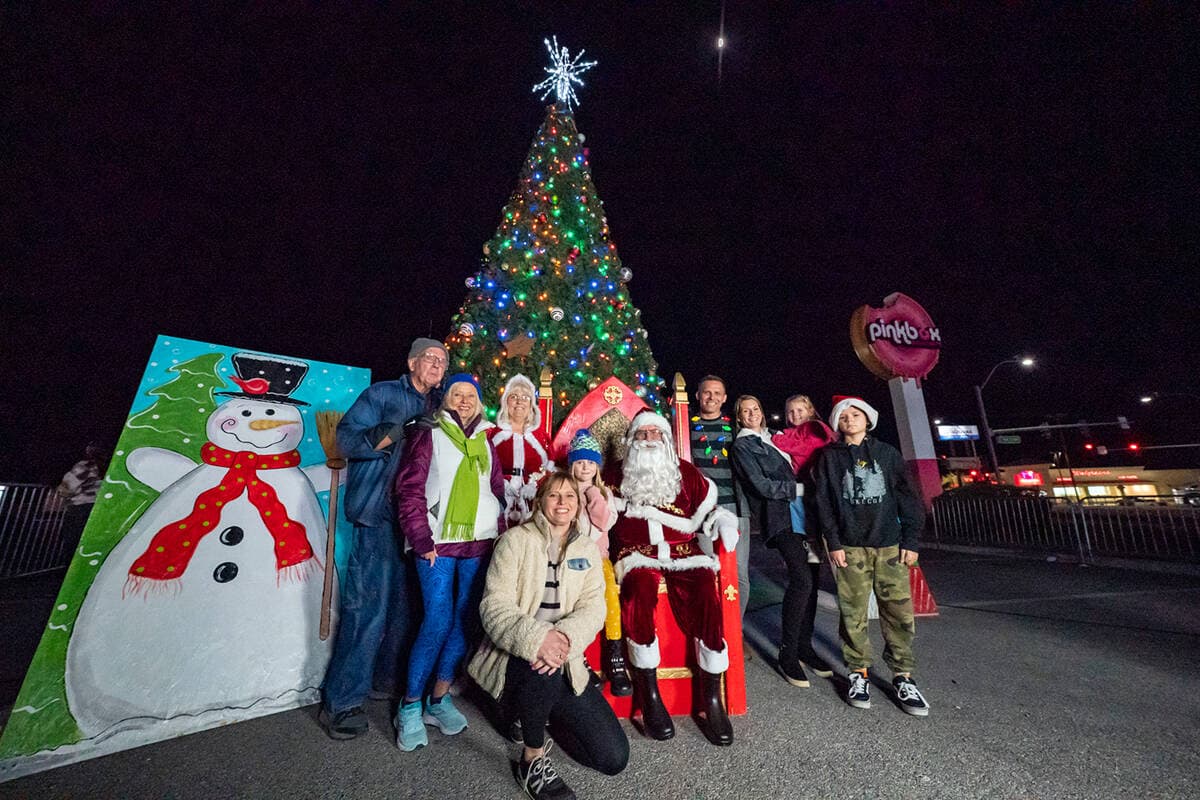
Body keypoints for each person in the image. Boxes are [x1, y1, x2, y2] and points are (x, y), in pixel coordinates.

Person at [468, 473, 629, 800]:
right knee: (544, 667)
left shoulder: (586, 548)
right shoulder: (515, 541)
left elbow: (594, 608)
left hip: (565, 657)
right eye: (553, 496)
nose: (562, 503)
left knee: (612, 758)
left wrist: (564, 639)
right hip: (514, 655)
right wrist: (538, 639)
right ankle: (532, 759)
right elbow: (493, 606)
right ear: (539, 500)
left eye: (569, 496)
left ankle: (537, 716)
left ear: (578, 503)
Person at [320, 337, 445, 739]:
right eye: (429, 358)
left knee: (405, 612)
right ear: (411, 362)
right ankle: (341, 703)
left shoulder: (440, 407)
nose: (436, 365)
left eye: (442, 361)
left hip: (420, 526)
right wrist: (396, 432)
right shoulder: (382, 394)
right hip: (379, 518)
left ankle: (382, 682)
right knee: (366, 611)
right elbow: (347, 439)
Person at [604, 411, 739, 745]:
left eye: (656, 433)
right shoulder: (613, 475)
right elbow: (599, 512)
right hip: (636, 552)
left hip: (684, 550)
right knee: (638, 592)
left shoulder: (687, 473)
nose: (649, 439)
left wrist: (723, 522)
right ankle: (649, 695)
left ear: (665, 438)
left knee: (707, 591)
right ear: (632, 440)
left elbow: (711, 509)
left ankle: (711, 701)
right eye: (642, 434)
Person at [393, 373, 505, 750]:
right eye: (457, 393)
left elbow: (497, 490)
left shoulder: (486, 440)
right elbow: (408, 488)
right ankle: (409, 706)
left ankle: (437, 700)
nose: (464, 400)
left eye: (470, 394)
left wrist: (499, 526)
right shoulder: (430, 433)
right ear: (445, 400)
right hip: (437, 543)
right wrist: (420, 537)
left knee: (463, 622)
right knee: (436, 619)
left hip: (478, 542)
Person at [811, 396, 931, 717]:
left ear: (868, 419)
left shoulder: (887, 454)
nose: (850, 420)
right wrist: (833, 542)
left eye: (856, 414)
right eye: (844, 416)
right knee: (853, 611)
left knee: (898, 611)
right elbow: (823, 502)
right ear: (837, 424)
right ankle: (858, 672)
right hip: (850, 547)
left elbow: (909, 498)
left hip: (890, 545)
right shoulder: (829, 459)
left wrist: (911, 539)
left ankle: (903, 676)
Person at [729, 395, 832, 688]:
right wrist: (801, 488)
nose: (752, 414)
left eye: (756, 409)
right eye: (745, 411)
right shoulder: (744, 445)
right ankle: (787, 653)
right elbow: (760, 485)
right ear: (739, 416)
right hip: (782, 519)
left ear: (763, 412)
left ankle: (805, 646)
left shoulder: (776, 438)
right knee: (801, 579)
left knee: (811, 579)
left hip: (807, 519)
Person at [566, 429, 631, 696]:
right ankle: (576, 659)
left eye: (591, 463)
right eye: (580, 462)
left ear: (597, 467)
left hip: (598, 558)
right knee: (569, 602)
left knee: (610, 598)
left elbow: (604, 522)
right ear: (572, 464)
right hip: (571, 558)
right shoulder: (564, 488)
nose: (585, 467)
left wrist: (593, 495)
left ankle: (615, 659)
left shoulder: (604, 494)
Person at [688, 375, 749, 619]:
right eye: (706, 392)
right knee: (707, 571)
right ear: (697, 395)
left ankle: (735, 630)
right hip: (702, 511)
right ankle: (713, 629)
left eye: (716, 393)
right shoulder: (685, 426)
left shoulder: (735, 428)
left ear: (724, 398)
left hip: (734, 509)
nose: (711, 397)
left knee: (739, 574)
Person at [489, 374, 553, 526]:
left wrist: (536, 485)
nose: (519, 401)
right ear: (506, 402)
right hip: (498, 499)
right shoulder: (493, 434)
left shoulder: (541, 437)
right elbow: (484, 467)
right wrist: (501, 483)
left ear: (531, 404)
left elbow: (550, 467)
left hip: (532, 501)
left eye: (525, 397)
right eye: (514, 396)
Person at [55, 443, 107, 557]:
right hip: (98, 509)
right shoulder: (108, 467)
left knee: (72, 546)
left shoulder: (85, 466)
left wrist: (61, 492)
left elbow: (66, 488)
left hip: (79, 509)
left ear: (89, 451)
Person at [772, 394, 837, 478]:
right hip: (799, 476)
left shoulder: (815, 426)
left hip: (818, 475)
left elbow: (806, 447)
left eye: (800, 410)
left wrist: (778, 440)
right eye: (791, 411)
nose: (795, 414)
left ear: (810, 412)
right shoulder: (790, 432)